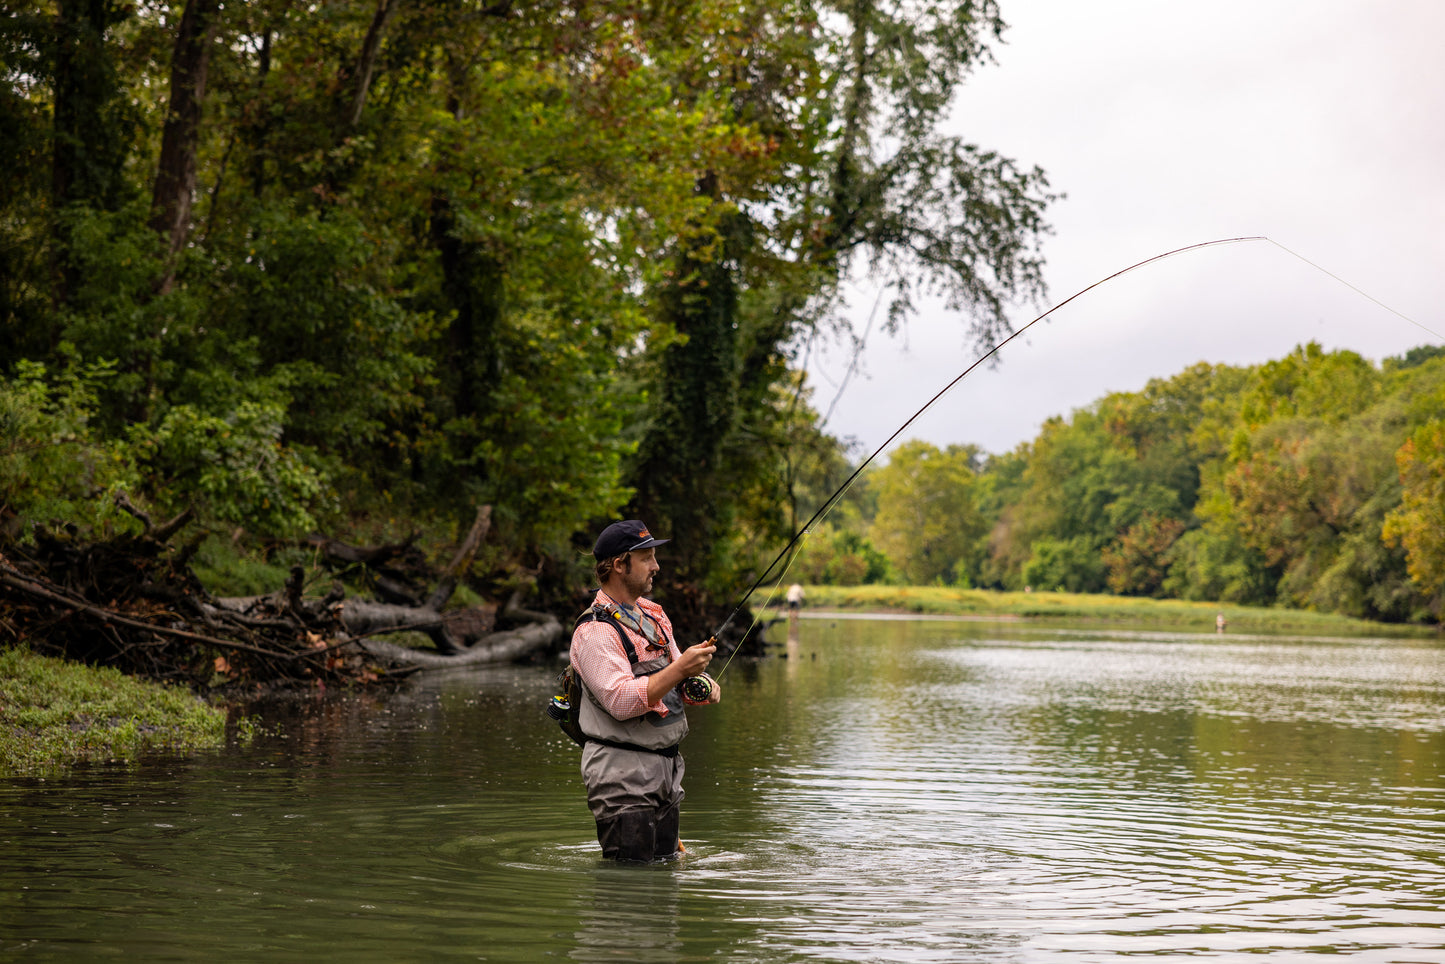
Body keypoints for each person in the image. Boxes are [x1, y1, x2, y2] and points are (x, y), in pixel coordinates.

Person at [570, 519, 721, 862]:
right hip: (622, 777)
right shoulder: (595, 632)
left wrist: (699, 683)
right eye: (647, 558)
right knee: (630, 888)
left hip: (666, 773)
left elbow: (672, 680)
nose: (657, 566)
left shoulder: (654, 615)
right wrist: (681, 669)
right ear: (619, 565)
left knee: (662, 887)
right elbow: (622, 701)